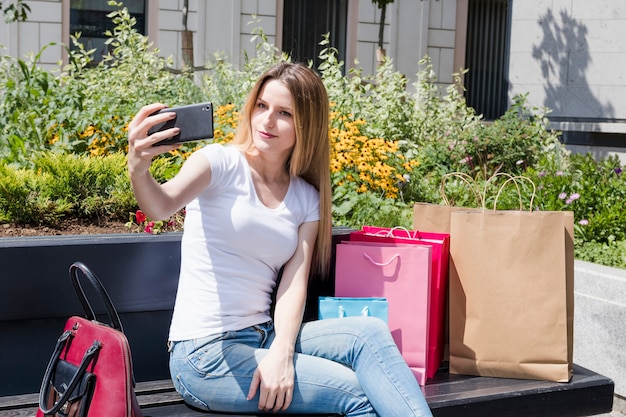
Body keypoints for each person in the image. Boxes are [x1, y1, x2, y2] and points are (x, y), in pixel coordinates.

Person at [127, 62, 433, 416]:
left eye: (284, 113)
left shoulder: (306, 198)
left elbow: (293, 286)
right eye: (261, 106)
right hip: (205, 356)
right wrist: (139, 168)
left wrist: (281, 353)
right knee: (356, 394)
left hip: (265, 336)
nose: (267, 121)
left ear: (307, 125)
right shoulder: (218, 163)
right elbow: (160, 207)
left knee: (370, 334)